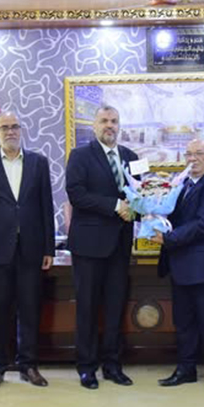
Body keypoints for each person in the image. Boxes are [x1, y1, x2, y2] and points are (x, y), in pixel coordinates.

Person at [0, 112, 55, 391]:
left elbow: (46, 206)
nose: (10, 131)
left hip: (31, 248)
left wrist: (49, 247)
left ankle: (28, 365)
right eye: (4, 127)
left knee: (29, 309)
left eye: (14, 126)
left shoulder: (38, 163)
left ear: (21, 129)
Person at [65, 105, 138, 389]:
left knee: (115, 307)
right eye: (104, 121)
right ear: (95, 126)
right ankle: (86, 367)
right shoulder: (80, 156)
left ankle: (112, 365)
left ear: (119, 125)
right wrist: (115, 205)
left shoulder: (132, 157)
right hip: (89, 246)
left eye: (114, 121)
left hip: (120, 246)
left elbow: (142, 194)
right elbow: (77, 194)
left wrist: (142, 207)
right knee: (87, 308)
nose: (110, 125)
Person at [152, 139, 204, 393]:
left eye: (199, 153)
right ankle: (186, 369)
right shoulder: (183, 184)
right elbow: (173, 217)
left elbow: (203, 224)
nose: (193, 158)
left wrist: (168, 238)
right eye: (188, 154)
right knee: (184, 323)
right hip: (181, 266)